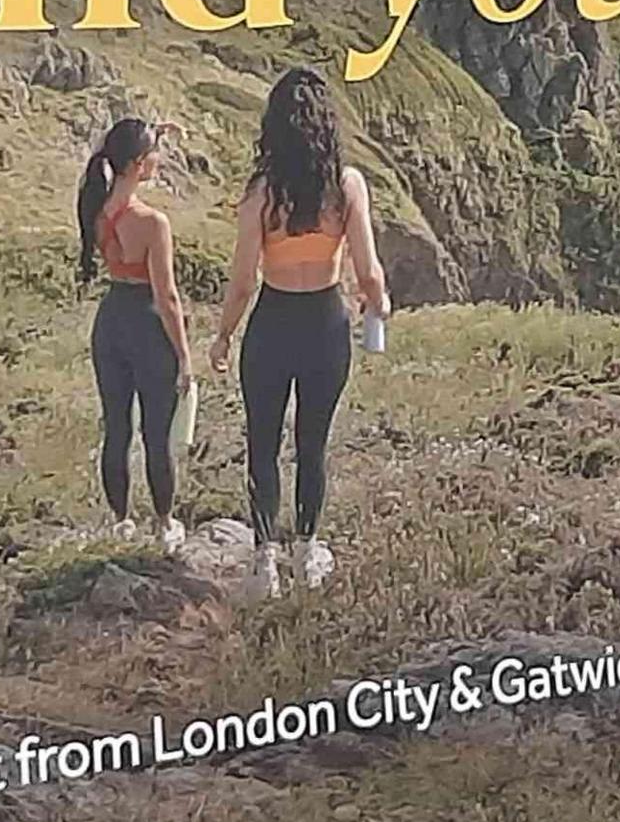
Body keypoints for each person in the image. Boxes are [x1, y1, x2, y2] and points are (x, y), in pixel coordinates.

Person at [209, 65, 390, 597]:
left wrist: (223, 334)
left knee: (262, 443)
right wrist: (377, 304)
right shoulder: (347, 185)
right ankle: (307, 552)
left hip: (272, 320)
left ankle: (264, 562)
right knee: (313, 444)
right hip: (325, 323)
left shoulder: (262, 193)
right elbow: (369, 270)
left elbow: (243, 281)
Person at [78, 115, 192, 549]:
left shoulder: (96, 206)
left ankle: (120, 520)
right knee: (157, 432)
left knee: (117, 427)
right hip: (147, 320)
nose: (159, 159)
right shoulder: (152, 222)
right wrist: (184, 355)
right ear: (139, 164)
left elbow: (121, 149)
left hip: (110, 320)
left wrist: (154, 132)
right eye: (154, 154)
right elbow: (168, 297)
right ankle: (164, 524)